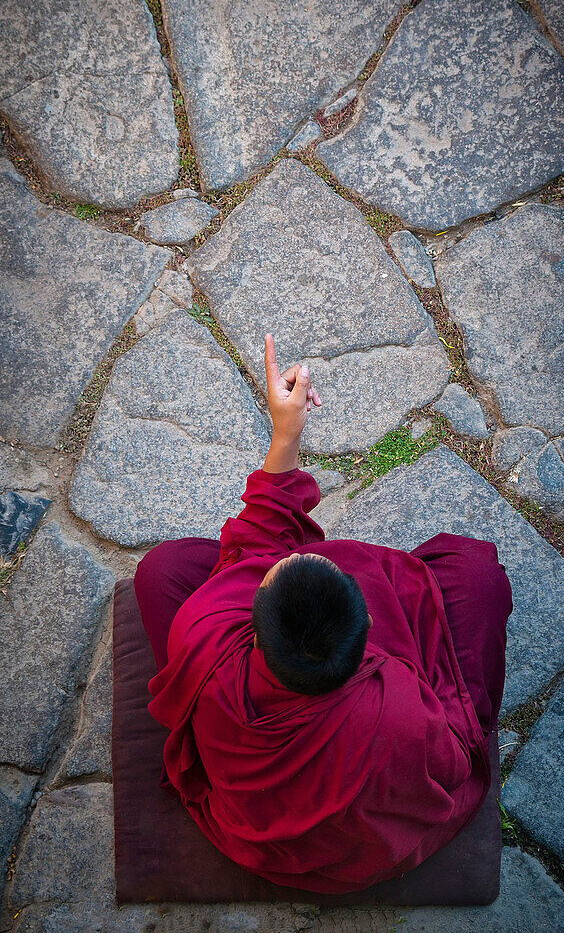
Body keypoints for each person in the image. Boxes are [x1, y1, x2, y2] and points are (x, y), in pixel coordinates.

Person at [134, 333, 513, 895]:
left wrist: (284, 436)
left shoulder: (209, 641)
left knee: (163, 572)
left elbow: (256, 546)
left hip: (254, 838)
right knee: (475, 574)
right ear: (369, 637)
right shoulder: (403, 708)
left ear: (253, 628)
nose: (298, 554)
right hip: (375, 849)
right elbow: (455, 759)